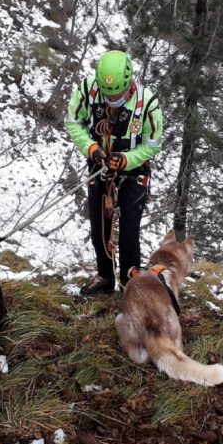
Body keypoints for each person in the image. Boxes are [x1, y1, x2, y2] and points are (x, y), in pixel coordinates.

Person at [64, 50, 163, 295]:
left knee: (129, 230)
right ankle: (106, 277)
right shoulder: (87, 91)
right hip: (100, 166)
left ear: (129, 84)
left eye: (117, 94)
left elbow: (153, 144)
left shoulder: (147, 104)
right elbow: (73, 122)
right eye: (107, 94)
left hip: (135, 171)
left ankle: (131, 284)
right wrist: (90, 147)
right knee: (99, 226)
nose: (111, 99)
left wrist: (128, 159)